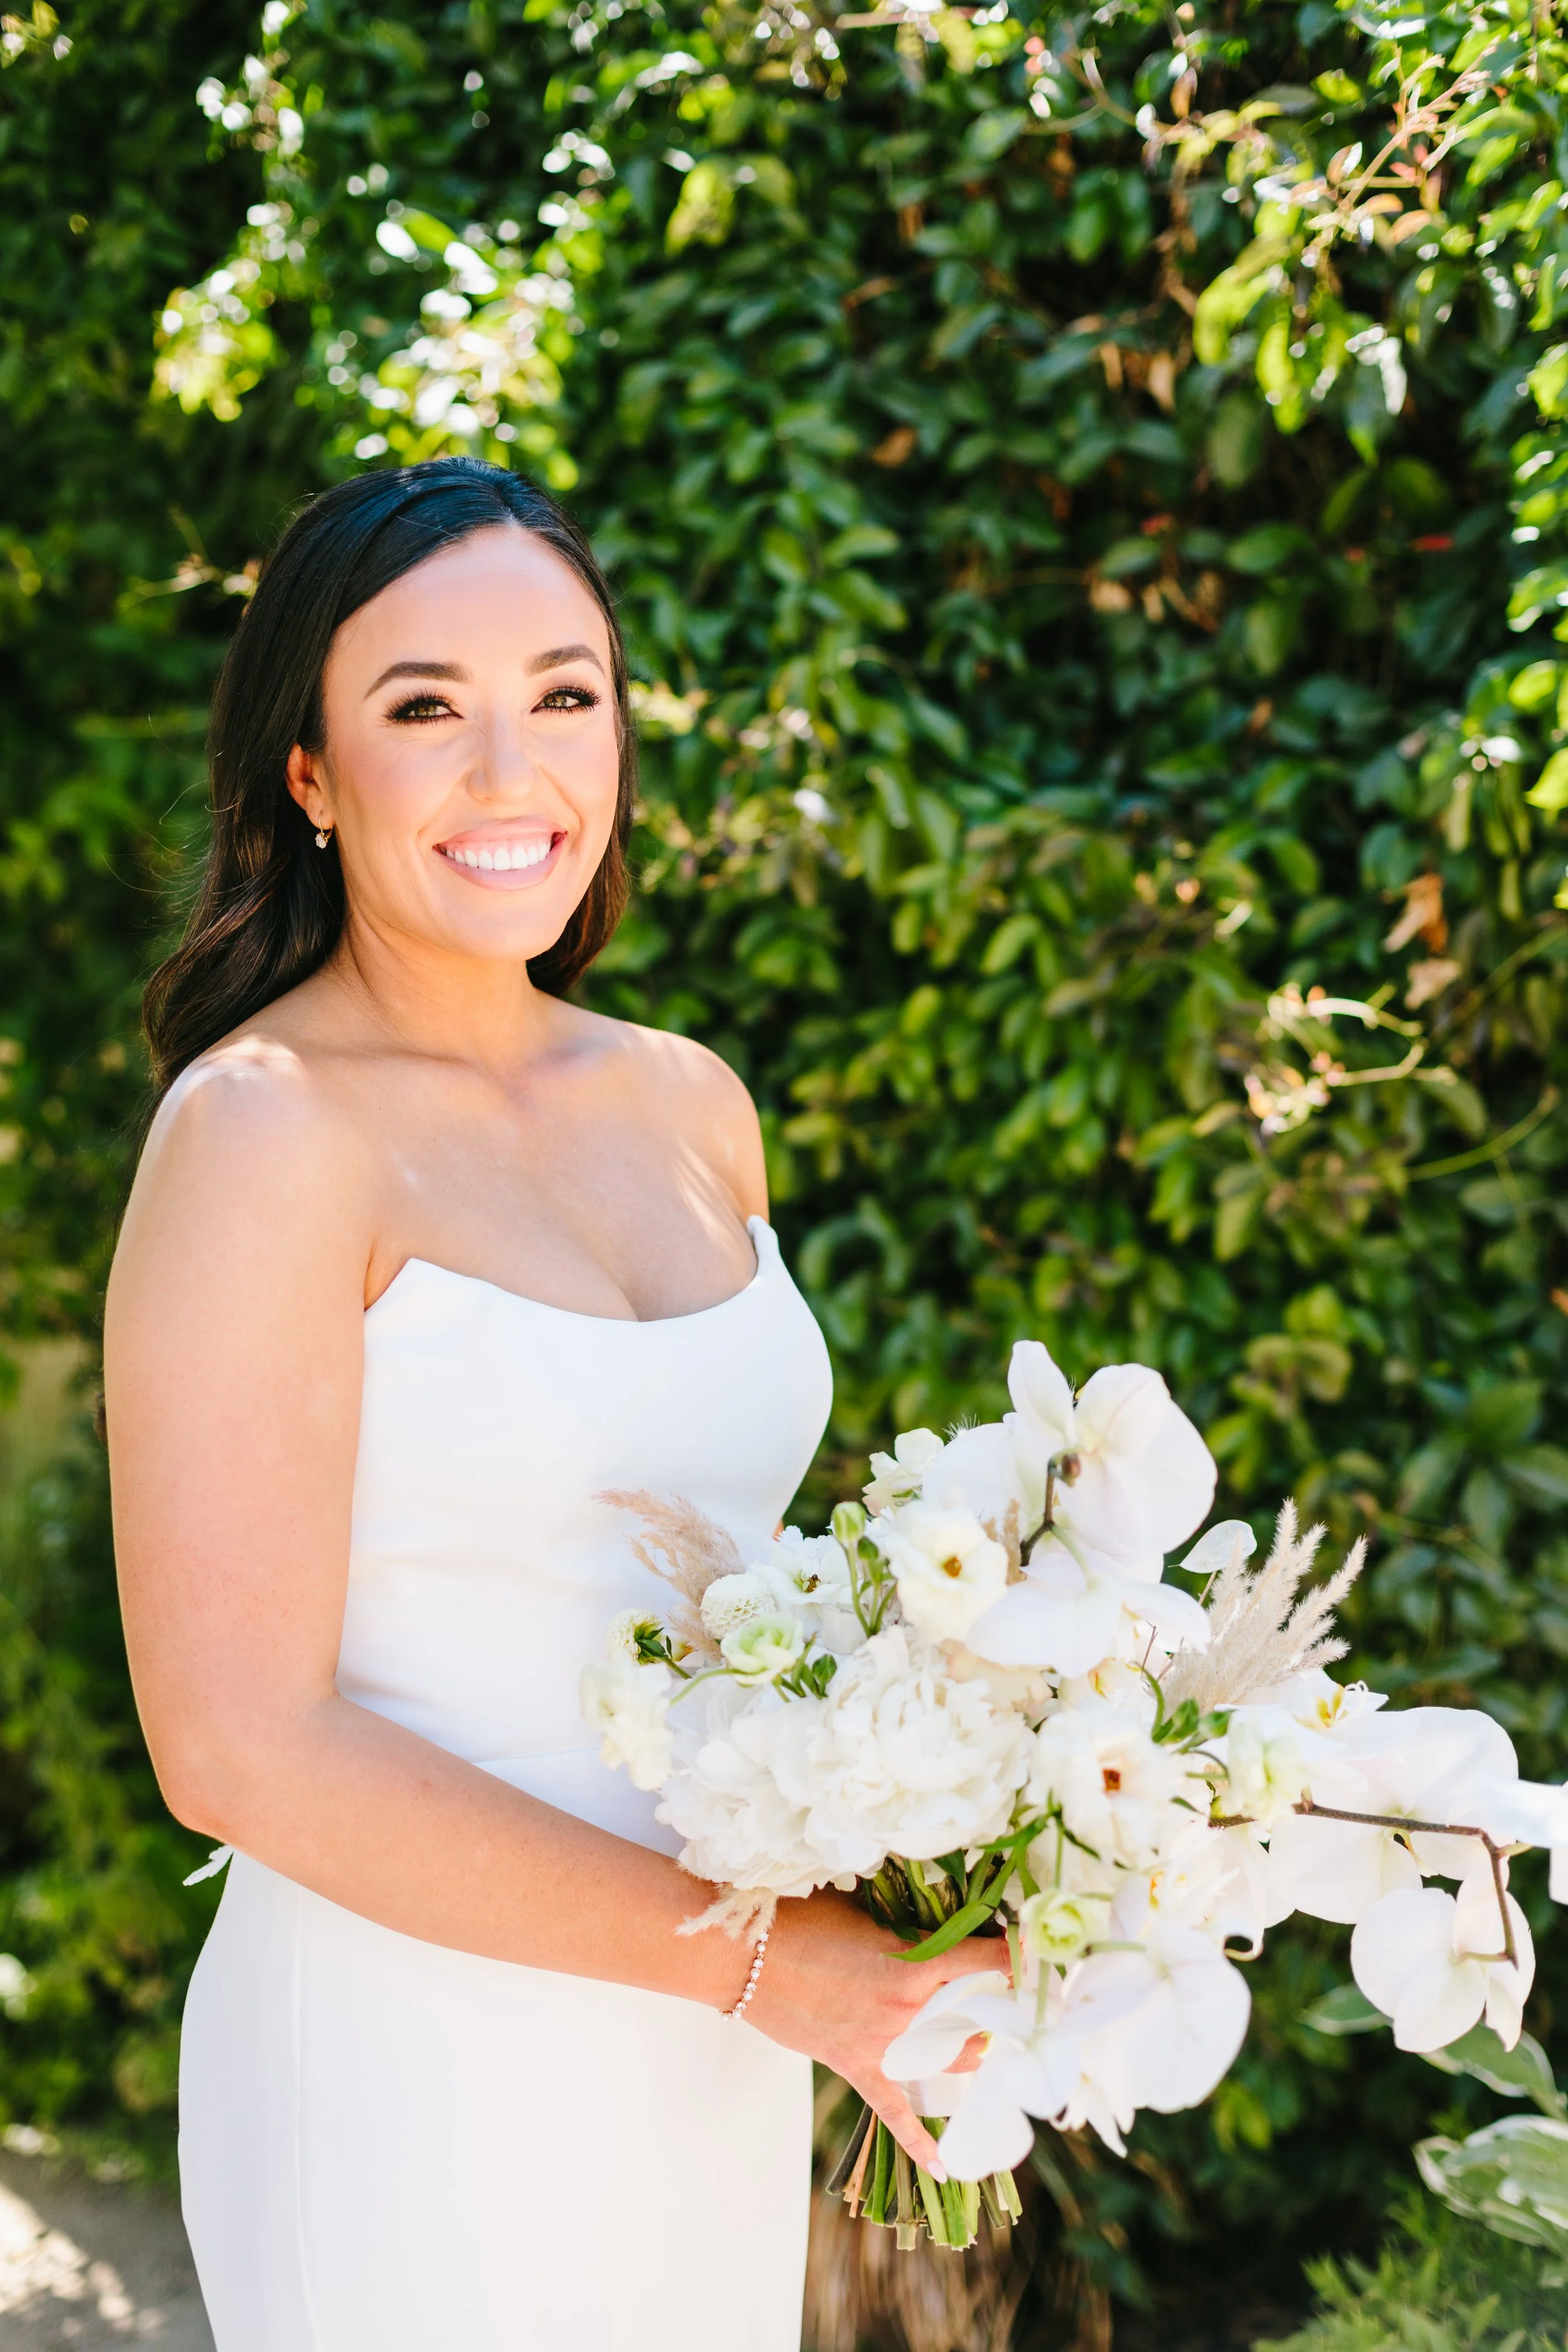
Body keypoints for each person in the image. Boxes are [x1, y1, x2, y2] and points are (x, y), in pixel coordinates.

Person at [105, 458, 995, 2351]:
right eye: (425, 709)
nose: (514, 774)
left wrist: (949, 1814)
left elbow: (735, 1589)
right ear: (311, 777)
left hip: (710, 2041)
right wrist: (777, 1969)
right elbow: (237, 1746)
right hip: (414, 2041)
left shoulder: (689, 1099)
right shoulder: (263, 1134)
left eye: (564, 694)